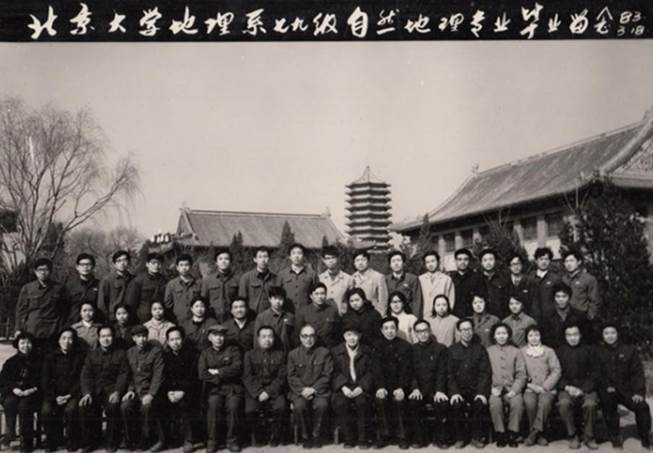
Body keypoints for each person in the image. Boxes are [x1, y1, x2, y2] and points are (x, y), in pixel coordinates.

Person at [596, 322, 651, 449]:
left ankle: (645, 437)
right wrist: (606, 386)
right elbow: (597, 374)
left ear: (618, 334)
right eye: (606, 333)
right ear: (602, 336)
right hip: (608, 389)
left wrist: (638, 392)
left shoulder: (629, 350)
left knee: (642, 406)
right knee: (608, 405)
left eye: (613, 333)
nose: (610, 336)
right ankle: (615, 437)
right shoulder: (598, 352)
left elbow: (637, 373)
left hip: (627, 391)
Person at [79, 325, 130, 453]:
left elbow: (123, 374)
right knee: (86, 406)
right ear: (98, 338)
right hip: (95, 391)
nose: (106, 339)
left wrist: (117, 392)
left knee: (113, 407)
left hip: (112, 391)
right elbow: (86, 375)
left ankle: (111, 442)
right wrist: (87, 393)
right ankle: (90, 441)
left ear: (113, 337)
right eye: (103, 336)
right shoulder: (92, 354)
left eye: (109, 336)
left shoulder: (121, 354)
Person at [198, 324, 243, 453]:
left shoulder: (233, 350)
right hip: (214, 389)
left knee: (233, 406)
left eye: (221, 335)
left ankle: (232, 440)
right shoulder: (205, 353)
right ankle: (212, 440)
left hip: (232, 388)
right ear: (209, 338)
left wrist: (217, 372)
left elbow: (237, 368)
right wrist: (219, 378)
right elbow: (202, 373)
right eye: (215, 335)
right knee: (213, 405)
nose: (219, 338)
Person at [287, 324, 333, 449]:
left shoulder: (324, 353)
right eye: (305, 336)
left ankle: (316, 435)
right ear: (300, 338)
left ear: (316, 337)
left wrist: (314, 389)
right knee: (300, 406)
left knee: (321, 405)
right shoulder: (293, 354)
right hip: (300, 392)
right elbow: (291, 376)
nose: (308, 339)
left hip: (319, 391)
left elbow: (327, 375)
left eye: (312, 336)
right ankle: (305, 436)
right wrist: (303, 390)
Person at [447, 318, 491, 449]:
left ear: (473, 330)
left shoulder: (480, 349)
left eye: (469, 329)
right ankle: (460, 437)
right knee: (456, 404)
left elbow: (485, 373)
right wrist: (454, 392)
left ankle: (476, 437)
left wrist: (481, 393)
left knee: (479, 404)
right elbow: (449, 374)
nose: (467, 332)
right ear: (459, 332)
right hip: (459, 390)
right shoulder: (451, 350)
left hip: (475, 390)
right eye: (463, 330)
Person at [121, 325, 165, 451]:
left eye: (144, 336)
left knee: (146, 407)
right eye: (138, 337)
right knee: (125, 406)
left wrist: (151, 394)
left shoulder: (155, 352)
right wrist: (130, 390)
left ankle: (146, 440)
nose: (142, 339)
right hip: (136, 391)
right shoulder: (129, 352)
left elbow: (158, 375)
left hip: (151, 391)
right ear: (134, 338)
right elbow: (129, 375)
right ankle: (131, 440)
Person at [556, 323, 599, 450]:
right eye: (569, 335)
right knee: (564, 403)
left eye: (575, 334)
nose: (572, 338)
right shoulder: (559, 352)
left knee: (590, 404)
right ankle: (572, 434)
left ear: (580, 335)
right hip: (567, 388)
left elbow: (596, 374)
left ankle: (589, 436)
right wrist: (567, 387)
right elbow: (556, 374)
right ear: (565, 337)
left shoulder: (590, 350)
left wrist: (583, 390)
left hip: (586, 388)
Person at [41, 328, 86, 452]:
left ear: (74, 341)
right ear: (59, 340)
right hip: (54, 395)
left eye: (70, 338)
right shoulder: (50, 357)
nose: (67, 341)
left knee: (71, 410)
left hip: (72, 394)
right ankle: (52, 441)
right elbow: (46, 380)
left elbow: (81, 379)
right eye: (64, 338)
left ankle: (72, 440)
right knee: (46, 411)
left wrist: (70, 395)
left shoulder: (79, 357)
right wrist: (54, 397)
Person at [243, 326, 287, 447]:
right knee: (250, 410)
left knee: (281, 407)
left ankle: (275, 436)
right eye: (264, 337)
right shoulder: (249, 355)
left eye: (270, 336)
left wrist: (268, 392)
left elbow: (281, 377)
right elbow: (247, 377)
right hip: (255, 390)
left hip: (273, 390)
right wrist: (258, 392)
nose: (267, 340)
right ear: (258, 339)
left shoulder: (280, 355)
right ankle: (259, 435)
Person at [331, 323, 373, 449]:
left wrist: (361, 387)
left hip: (361, 387)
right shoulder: (336, 351)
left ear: (359, 336)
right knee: (340, 403)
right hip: (344, 388)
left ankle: (362, 438)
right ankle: (349, 438)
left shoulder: (367, 351)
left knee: (362, 403)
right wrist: (343, 387)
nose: (352, 338)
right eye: (349, 335)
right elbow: (334, 372)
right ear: (344, 336)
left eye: (355, 335)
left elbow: (371, 372)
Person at [372, 317, 413, 449]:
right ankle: (384, 435)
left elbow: (406, 370)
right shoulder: (376, 346)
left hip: (400, 385)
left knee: (399, 401)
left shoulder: (405, 346)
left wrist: (401, 388)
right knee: (380, 400)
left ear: (397, 329)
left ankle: (402, 436)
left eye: (392, 328)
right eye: (386, 328)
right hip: (383, 386)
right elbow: (376, 369)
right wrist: (380, 387)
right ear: (381, 330)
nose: (389, 331)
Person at [408, 319, 449, 448]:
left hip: (435, 388)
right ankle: (420, 439)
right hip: (419, 389)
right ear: (415, 333)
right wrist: (415, 388)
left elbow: (442, 371)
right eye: (419, 331)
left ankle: (440, 439)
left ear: (430, 331)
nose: (423, 334)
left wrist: (440, 390)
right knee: (413, 403)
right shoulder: (412, 350)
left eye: (425, 330)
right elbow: (410, 372)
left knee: (442, 403)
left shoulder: (440, 348)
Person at [486, 323, 526, 448]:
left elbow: (521, 375)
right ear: (494, 336)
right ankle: (500, 433)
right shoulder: (488, 351)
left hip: (511, 387)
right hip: (495, 388)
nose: (501, 336)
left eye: (504, 333)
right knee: (495, 404)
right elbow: (484, 374)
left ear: (508, 335)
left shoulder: (516, 351)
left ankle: (513, 433)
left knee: (517, 403)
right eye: (498, 333)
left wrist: (514, 390)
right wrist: (491, 389)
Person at [521, 325, 561, 446]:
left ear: (541, 336)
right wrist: (529, 385)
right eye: (531, 335)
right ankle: (539, 434)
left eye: (536, 335)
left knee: (544, 403)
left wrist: (545, 386)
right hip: (529, 387)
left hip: (546, 388)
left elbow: (556, 370)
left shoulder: (549, 351)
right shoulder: (521, 352)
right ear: (527, 337)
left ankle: (534, 434)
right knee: (530, 403)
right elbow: (519, 372)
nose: (534, 338)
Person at [0, 332, 41, 453]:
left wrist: (31, 390)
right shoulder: (10, 362)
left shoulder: (39, 361)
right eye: (22, 343)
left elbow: (42, 379)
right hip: (14, 392)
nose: (25, 346)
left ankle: (26, 440)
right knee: (9, 403)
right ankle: (10, 433)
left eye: (28, 343)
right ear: (17, 345)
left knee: (25, 406)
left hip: (33, 393)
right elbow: (3, 380)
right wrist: (14, 389)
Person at [15, 258, 65, 354]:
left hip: (52, 332)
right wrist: (18, 329)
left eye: (46, 270)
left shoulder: (59, 288)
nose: (43, 272)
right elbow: (21, 311)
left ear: (50, 271)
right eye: (40, 270)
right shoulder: (27, 288)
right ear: (35, 272)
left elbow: (63, 310)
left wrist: (61, 329)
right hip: (32, 331)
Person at [161, 326, 198, 453]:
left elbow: (194, 377)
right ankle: (163, 439)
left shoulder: (192, 355)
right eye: (172, 340)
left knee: (186, 404)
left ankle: (189, 440)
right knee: (158, 403)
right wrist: (169, 392)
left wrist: (182, 391)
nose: (175, 342)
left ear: (183, 339)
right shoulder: (165, 357)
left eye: (177, 339)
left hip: (188, 390)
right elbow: (164, 377)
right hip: (171, 391)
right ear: (167, 342)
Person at [542, 282, 592, 349]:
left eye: (564, 296)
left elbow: (586, 337)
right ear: (554, 298)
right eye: (558, 296)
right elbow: (545, 339)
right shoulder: (547, 316)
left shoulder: (580, 315)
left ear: (569, 297)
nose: (561, 299)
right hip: (555, 351)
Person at [125, 253, 168, 324]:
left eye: (159, 263)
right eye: (153, 263)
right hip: (142, 319)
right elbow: (130, 304)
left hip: (160, 318)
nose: (156, 265)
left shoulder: (164, 281)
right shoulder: (138, 281)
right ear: (147, 264)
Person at [296, 282, 341, 348]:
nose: (320, 297)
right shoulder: (303, 312)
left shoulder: (332, 311)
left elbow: (338, 333)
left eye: (322, 293)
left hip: (329, 348)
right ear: (311, 296)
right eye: (316, 294)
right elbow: (297, 335)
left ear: (326, 295)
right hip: (311, 349)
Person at [561, 250, 601, 322]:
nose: (568, 264)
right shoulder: (563, 279)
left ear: (579, 262)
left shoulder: (589, 279)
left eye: (571, 261)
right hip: (565, 317)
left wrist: (590, 316)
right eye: (566, 261)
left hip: (582, 317)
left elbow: (595, 301)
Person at [277, 243, 318, 312]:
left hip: (306, 312)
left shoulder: (312, 274)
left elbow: (317, 295)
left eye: (299, 253)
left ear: (303, 256)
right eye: (293, 253)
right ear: (289, 256)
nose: (296, 256)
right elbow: (277, 295)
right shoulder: (282, 274)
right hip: (287, 313)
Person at [201, 249, 240, 322]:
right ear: (216, 262)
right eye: (220, 259)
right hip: (213, 318)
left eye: (226, 259)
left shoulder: (237, 280)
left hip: (232, 318)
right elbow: (203, 301)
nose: (223, 261)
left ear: (231, 262)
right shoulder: (208, 281)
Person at [253, 287, 295, 352]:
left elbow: (294, 338)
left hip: (286, 352)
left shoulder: (290, 317)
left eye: (280, 299)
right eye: (275, 298)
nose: (277, 302)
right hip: (268, 353)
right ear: (270, 299)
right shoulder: (261, 317)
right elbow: (257, 339)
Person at [239, 246, 278, 314]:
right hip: (253, 316)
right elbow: (242, 300)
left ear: (269, 259)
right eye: (260, 257)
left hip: (271, 315)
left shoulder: (275, 278)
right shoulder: (246, 278)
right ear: (255, 259)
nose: (263, 260)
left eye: (265, 257)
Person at [164, 254, 201, 324]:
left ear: (191, 266)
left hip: (195, 319)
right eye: (181, 265)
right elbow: (168, 304)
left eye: (186, 265)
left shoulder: (198, 283)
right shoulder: (171, 284)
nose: (184, 268)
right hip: (178, 320)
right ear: (177, 267)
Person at [64, 253, 100, 325]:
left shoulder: (99, 284)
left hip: (94, 324)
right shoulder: (69, 285)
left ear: (93, 266)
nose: (85, 267)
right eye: (82, 265)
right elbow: (64, 307)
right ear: (77, 267)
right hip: (73, 323)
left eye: (88, 264)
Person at [97, 250, 134, 321]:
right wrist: (106, 318)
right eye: (119, 261)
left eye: (125, 260)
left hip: (130, 317)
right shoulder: (107, 280)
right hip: (113, 317)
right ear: (114, 264)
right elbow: (101, 303)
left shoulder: (134, 279)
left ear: (129, 262)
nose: (122, 263)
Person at [528, 247, 561, 326]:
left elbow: (559, 298)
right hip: (534, 318)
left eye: (546, 259)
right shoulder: (530, 277)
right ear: (536, 261)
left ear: (550, 261)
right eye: (541, 259)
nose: (544, 262)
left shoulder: (555, 278)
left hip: (551, 319)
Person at [418, 251, 455, 320]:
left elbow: (451, 300)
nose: (430, 264)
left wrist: (447, 314)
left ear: (438, 262)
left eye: (433, 261)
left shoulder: (446, 279)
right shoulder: (420, 279)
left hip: (441, 315)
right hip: (424, 315)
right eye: (427, 262)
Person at [385, 251, 422, 317]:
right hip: (390, 315)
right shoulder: (386, 280)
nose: (396, 263)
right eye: (393, 261)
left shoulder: (412, 278)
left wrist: (415, 318)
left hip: (408, 314)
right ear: (390, 265)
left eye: (398, 260)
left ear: (403, 263)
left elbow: (417, 300)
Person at [318, 246, 354, 315]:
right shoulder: (320, 278)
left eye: (333, 257)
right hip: (324, 316)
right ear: (323, 260)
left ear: (338, 258)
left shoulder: (348, 279)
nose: (330, 261)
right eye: (327, 258)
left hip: (342, 316)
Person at [352, 250, 388, 316]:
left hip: (373, 314)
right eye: (357, 260)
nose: (360, 263)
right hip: (356, 315)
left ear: (368, 262)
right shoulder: (352, 278)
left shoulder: (378, 277)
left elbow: (383, 301)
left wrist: (380, 316)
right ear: (354, 263)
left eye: (363, 260)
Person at [449, 248, 483, 319]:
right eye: (460, 259)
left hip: (472, 316)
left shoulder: (477, 277)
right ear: (455, 261)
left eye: (465, 259)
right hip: (454, 315)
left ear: (469, 261)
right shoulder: (450, 278)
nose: (463, 262)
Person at [479, 249, 510, 318]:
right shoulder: (477, 279)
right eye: (485, 260)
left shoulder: (503, 278)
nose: (488, 263)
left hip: (500, 316)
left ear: (495, 261)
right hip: (483, 318)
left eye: (491, 259)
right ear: (481, 263)